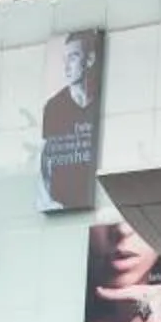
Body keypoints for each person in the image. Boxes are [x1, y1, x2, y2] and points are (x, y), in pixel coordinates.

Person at [39, 33, 100, 212]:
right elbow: (44, 161)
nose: (66, 67)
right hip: (60, 206)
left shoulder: (99, 104)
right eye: (64, 59)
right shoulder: (53, 107)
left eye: (73, 57)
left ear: (89, 59)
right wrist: (48, 202)